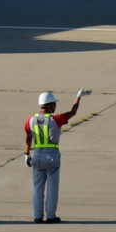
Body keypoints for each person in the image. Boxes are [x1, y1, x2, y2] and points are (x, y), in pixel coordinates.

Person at [25, 89, 91, 223]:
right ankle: (50, 216)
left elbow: (28, 137)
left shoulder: (31, 119)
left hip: (37, 157)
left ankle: (38, 216)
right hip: (52, 157)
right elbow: (72, 113)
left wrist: (26, 154)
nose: (55, 106)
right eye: (53, 104)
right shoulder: (56, 119)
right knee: (52, 189)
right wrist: (78, 97)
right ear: (47, 105)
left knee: (37, 189)